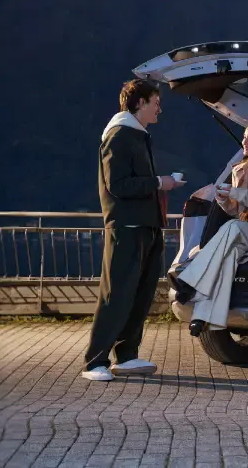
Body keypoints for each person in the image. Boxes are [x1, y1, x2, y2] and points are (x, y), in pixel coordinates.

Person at [82, 79, 186, 382]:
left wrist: (160, 184)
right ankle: (94, 361)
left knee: (139, 294)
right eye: (156, 102)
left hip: (147, 225)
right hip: (126, 226)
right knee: (116, 294)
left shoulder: (138, 135)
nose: (159, 109)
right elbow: (117, 185)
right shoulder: (118, 136)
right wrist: (159, 182)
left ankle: (126, 355)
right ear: (139, 102)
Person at [170, 122, 248, 332]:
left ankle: (190, 282)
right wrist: (224, 200)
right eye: (244, 137)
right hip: (244, 233)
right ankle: (203, 318)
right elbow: (236, 212)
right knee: (229, 254)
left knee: (233, 228)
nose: (245, 141)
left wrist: (241, 195)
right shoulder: (239, 170)